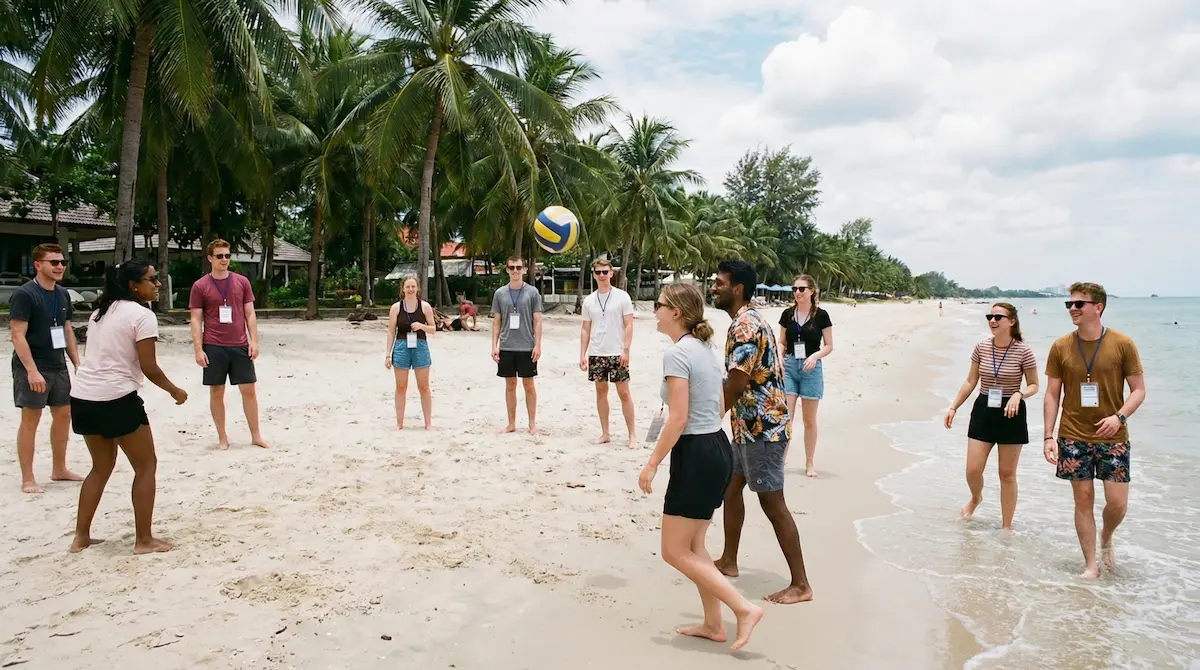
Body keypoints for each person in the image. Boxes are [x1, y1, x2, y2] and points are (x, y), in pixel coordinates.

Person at [638, 283, 763, 651]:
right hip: (716, 448)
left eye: (659, 306)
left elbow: (676, 420)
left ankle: (743, 609)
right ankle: (713, 624)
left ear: (676, 312)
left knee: (673, 551)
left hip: (695, 453)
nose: (654, 311)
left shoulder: (677, 354)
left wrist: (651, 463)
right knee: (694, 545)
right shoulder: (704, 346)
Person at [711, 260, 814, 604]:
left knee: (773, 504)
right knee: (731, 488)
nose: (714, 287)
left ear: (737, 289)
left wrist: (709, 419)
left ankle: (801, 585)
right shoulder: (750, 318)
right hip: (748, 425)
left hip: (763, 429)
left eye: (719, 283)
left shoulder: (744, 326)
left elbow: (737, 383)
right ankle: (728, 560)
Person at [67, 260, 188, 554]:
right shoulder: (141, 315)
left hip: (83, 396)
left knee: (100, 467)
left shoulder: (100, 312)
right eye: (152, 279)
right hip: (116, 398)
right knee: (146, 466)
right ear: (134, 285)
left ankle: (80, 537)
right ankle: (144, 540)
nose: (158, 283)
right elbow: (149, 366)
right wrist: (175, 390)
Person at [1043, 282, 1145, 579]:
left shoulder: (1123, 343)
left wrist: (1120, 417)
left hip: (1113, 436)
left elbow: (1138, 391)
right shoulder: (1060, 346)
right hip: (1073, 434)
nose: (1072, 309)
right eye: (1069, 305)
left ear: (1097, 307)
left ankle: (1107, 536)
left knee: (1117, 503)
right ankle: (1090, 565)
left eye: (1079, 304)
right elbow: (1052, 394)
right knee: (1083, 499)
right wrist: (1048, 436)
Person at [944, 303, 1039, 530]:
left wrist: (1019, 394)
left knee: (1007, 475)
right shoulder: (981, 347)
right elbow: (970, 381)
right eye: (990, 316)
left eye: (998, 317)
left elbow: (1034, 385)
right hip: (984, 408)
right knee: (973, 469)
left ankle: (1007, 528)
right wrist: (953, 407)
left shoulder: (1023, 351)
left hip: (1012, 412)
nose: (993, 320)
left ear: (1012, 321)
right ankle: (976, 498)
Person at [9, 243, 83, 493]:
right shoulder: (24, 294)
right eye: (54, 262)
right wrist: (31, 370)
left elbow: (67, 329)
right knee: (31, 418)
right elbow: (18, 335)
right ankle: (27, 477)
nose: (60, 266)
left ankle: (59, 468)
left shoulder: (62, 294)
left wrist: (76, 363)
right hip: (33, 365)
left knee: (63, 415)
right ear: (38, 265)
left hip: (57, 364)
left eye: (62, 262)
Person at [188, 239, 268, 450]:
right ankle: (222, 438)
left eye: (227, 256)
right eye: (220, 256)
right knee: (216, 391)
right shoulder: (200, 286)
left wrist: (254, 341)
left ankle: (256, 435)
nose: (224, 260)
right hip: (213, 344)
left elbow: (250, 314)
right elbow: (196, 319)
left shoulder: (242, 282)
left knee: (249, 390)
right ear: (210, 258)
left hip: (240, 344)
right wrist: (198, 349)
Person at [777, 274, 833, 476]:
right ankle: (780, 461)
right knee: (786, 418)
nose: (797, 293)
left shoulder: (821, 315)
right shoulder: (787, 314)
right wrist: (779, 356)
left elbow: (829, 346)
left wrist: (815, 357)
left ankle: (810, 463)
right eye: (794, 289)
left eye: (801, 289)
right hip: (790, 366)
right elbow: (782, 341)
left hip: (811, 368)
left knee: (809, 420)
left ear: (811, 291)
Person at [579, 259, 636, 447]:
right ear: (594, 275)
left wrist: (626, 350)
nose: (602, 275)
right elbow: (585, 328)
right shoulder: (589, 300)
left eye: (605, 272)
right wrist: (582, 354)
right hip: (597, 352)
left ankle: (632, 435)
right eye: (598, 272)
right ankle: (605, 433)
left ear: (612, 273)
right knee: (600, 392)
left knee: (624, 393)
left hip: (617, 352)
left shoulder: (622, 297)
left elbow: (629, 325)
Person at [491, 256, 543, 434]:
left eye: (518, 267)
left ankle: (532, 423)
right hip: (506, 346)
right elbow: (497, 321)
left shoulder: (532, 293)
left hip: (527, 346)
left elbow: (537, 320)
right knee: (510, 385)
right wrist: (494, 345)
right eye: (512, 268)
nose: (515, 271)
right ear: (507, 270)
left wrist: (538, 345)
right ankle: (511, 423)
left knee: (529, 385)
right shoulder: (499, 293)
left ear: (524, 269)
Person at [386, 275, 436, 430]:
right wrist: (388, 354)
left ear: (417, 288)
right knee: (401, 386)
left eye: (413, 286)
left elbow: (433, 329)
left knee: (424, 386)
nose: (410, 289)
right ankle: (399, 422)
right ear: (403, 289)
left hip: (420, 346)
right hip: (401, 346)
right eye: (407, 287)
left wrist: (422, 326)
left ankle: (428, 423)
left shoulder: (425, 307)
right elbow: (391, 331)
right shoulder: (396, 308)